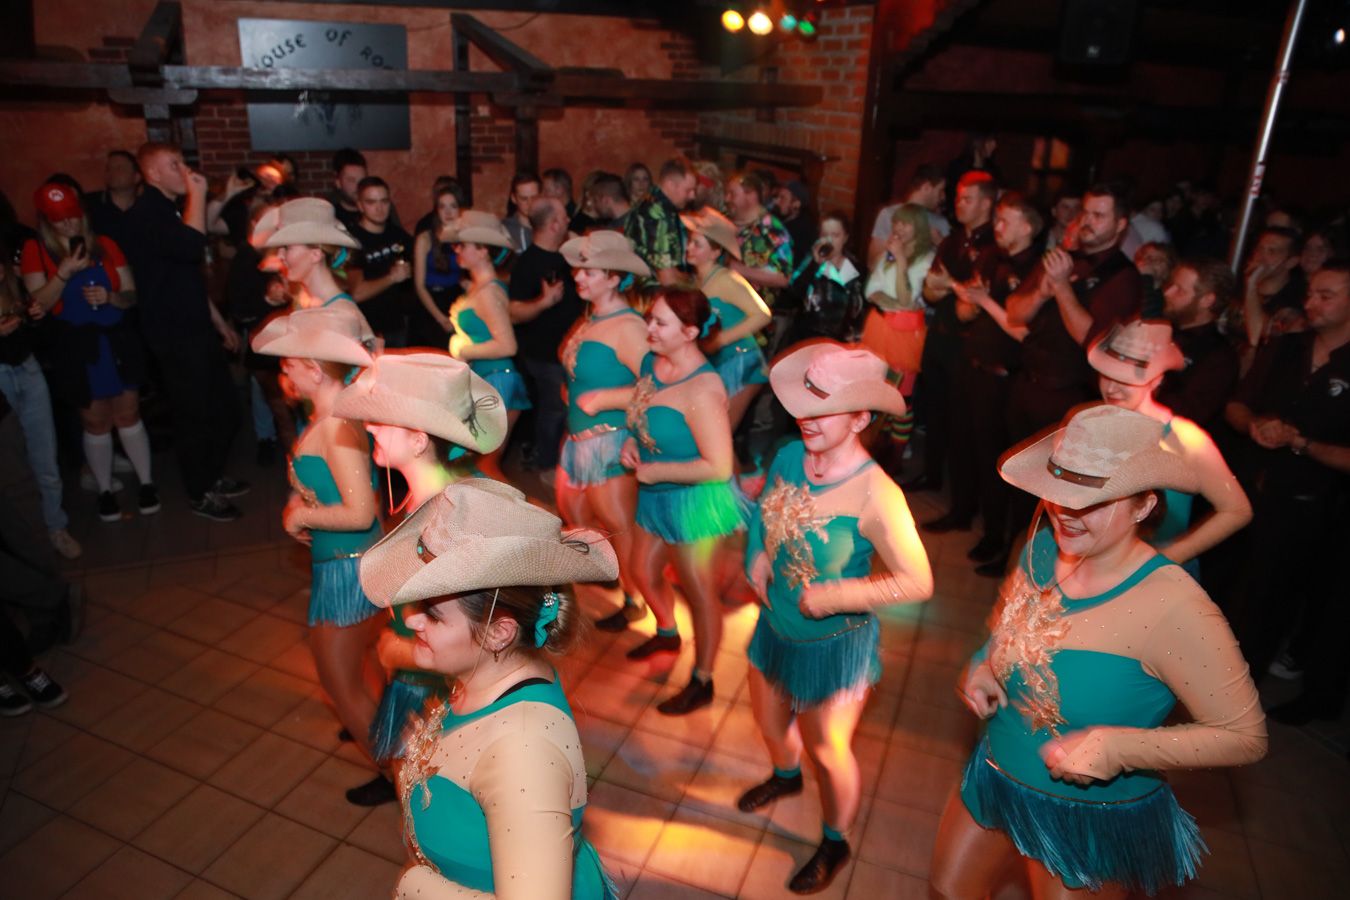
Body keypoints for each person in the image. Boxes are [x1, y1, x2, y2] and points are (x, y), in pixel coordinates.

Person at [931, 404, 1267, 900]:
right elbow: (1010, 617)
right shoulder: (1044, 544)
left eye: (1093, 499)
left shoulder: (1176, 608)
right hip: (996, 772)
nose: (1065, 512)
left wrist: (1118, 748)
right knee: (946, 890)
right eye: (1058, 492)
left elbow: (1245, 737)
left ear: (1144, 506)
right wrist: (986, 660)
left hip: (1087, 816)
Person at [356, 479, 620, 899]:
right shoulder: (488, 675)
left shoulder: (523, 751)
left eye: (433, 614)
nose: (411, 620)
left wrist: (414, 885)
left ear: (499, 632)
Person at [739, 342, 933, 894]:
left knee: (827, 750)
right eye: (805, 405)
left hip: (835, 644)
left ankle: (835, 840)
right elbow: (764, 510)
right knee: (770, 724)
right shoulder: (787, 455)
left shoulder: (877, 494)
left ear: (861, 419)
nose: (807, 419)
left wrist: (837, 595)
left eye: (825, 410)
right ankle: (785, 776)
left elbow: (919, 582)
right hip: (775, 626)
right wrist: (757, 552)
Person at [333, 351, 508, 796]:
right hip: (415, 675)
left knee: (432, 798)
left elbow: (473, 640)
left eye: (382, 420)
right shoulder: (425, 495)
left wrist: (399, 651)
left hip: (441, 690)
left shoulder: (448, 517)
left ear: (417, 440)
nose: (369, 427)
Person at [251, 305, 387, 803]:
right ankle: (395, 754)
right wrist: (301, 501)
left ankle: (402, 778)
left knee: (341, 686)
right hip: (350, 565)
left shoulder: (335, 425)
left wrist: (300, 517)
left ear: (313, 369)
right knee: (363, 672)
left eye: (288, 365)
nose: (282, 374)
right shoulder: (331, 416)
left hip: (347, 573)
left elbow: (360, 512)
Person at [1224, 263, 1350, 717]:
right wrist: (1255, 425)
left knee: (1274, 603)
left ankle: (1238, 695)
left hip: (1315, 509)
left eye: (1326, 295)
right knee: (1232, 589)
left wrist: (1301, 443)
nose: (1311, 303)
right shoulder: (1287, 347)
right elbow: (1236, 405)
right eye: (1311, 293)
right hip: (1252, 490)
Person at [621, 288, 743, 714]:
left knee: (699, 592)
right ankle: (667, 632)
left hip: (694, 503)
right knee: (641, 569)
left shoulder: (703, 388)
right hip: (655, 494)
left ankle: (703, 679)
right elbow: (642, 413)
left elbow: (719, 467)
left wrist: (656, 471)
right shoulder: (651, 363)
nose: (649, 328)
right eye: (649, 318)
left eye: (660, 322)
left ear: (690, 333)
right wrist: (633, 444)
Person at [122, 142, 244, 522]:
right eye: (173, 164)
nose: (184, 170)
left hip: (195, 328)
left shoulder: (169, 210)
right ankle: (199, 492)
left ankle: (211, 476)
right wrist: (200, 193)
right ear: (152, 174)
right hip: (174, 335)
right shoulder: (146, 214)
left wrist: (218, 322)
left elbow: (186, 276)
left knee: (223, 408)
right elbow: (193, 248)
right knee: (194, 415)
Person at [22, 182, 156, 528]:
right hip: (76, 345)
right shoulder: (36, 251)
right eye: (58, 219)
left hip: (116, 339)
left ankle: (146, 484)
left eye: (72, 216)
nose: (68, 224)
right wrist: (64, 273)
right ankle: (104, 489)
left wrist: (111, 297)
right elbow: (37, 305)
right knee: (95, 420)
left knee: (128, 412)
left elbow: (131, 294)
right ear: (46, 221)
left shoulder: (106, 245)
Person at [1088, 320, 1252, 577]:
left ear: (1157, 379)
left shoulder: (1187, 439)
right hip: (1098, 568)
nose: (1110, 388)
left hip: (1155, 579)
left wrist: (1171, 555)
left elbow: (1237, 510)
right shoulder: (1092, 421)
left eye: (1124, 379)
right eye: (1106, 375)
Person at [555, 231, 651, 633]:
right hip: (578, 439)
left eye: (589, 271)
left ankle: (636, 599)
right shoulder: (591, 316)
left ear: (614, 277)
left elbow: (657, 386)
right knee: (576, 515)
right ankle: (611, 576)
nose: (578, 276)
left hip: (610, 441)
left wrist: (607, 397)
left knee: (617, 525)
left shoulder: (629, 327)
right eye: (579, 269)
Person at [947, 192, 1043, 576]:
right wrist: (968, 301)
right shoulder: (991, 257)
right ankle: (971, 521)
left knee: (999, 462)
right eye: (997, 219)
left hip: (1005, 377)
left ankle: (1003, 543)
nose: (997, 227)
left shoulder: (1036, 269)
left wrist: (984, 301)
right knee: (965, 447)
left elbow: (1022, 331)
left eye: (1005, 221)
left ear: (1027, 227)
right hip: (972, 364)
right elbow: (966, 312)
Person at [908, 170, 996, 500]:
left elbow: (971, 305)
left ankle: (960, 499)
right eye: (958, 197)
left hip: (967, 345)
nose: (958, 204)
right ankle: (931, 476)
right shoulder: (952, 240)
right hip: (940, 336)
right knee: (934, 411)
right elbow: (930, 291)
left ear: (986, 204)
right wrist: (947, 287)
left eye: (967, 199)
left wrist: (949, 286)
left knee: (962, 422)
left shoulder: (992, 247)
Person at [448, 210, 529, 480]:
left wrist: (463, 350)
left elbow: (507, 345)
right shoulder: (480, 287)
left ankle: (521, 508)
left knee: (484, 467)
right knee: (479, 467)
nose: (457, 249)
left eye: (463, 245)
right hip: (489, 378)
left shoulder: (489, 291)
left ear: (483, 251)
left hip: (498, 380)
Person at [681, 207, 772, 436]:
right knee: (716, 434)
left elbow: (763, 314)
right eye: (690, 242)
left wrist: (721, 339)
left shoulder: (726, 279)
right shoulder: (697, 281)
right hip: (721, 363)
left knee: (720, 434)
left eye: (697, 244)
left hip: (742, 362)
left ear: (715, 252)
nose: (689, 248)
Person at [508, 198, 582, 476]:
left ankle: (564, 465)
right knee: (554, 410)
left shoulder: (567, 258)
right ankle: (547, 465)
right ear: (552, 224)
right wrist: (544, 302)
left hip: (571, 351)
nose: (568, 221)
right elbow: (514, 313)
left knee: (567, 409)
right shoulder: (527, 263)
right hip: (545, 355)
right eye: (564, 217)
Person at [860, 203, 936, 466]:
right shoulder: (890, 251)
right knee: (877, 392)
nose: (898, 228)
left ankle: (896, 454)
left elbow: (907, 299)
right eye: (896, 222)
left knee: (901, 398)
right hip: (880, 327)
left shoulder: (927, 258)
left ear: (919, 227)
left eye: (906, 223)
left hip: (906, 334)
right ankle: (878, 445)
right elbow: (871, 290)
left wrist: (901, 261)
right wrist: (891, 301)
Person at [1156, 258, 1241, 434]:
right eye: (1170, 285)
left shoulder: (1219, 356)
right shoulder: (1158, 328)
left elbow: (1187, 413)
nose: (1167, 293)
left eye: (1180, 290)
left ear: (1207, 300)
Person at [348, 176, 415, 347]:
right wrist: (391, 278)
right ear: (360, 205)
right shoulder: (353, 241)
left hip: (399, 324)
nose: (379, 208)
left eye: (384, 201)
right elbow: (357, 293)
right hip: (368, 329)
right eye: (371, 202)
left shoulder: (397, 234)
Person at [789, 212, 866, 346]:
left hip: (841, 343)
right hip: (809, 340)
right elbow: (794, 293)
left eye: (835, 235)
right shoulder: (812, 264)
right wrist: (814, 265)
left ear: (845, 238)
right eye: (825, 235)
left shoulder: (857, 270)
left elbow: (861, 310)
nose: (829, 240)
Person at [727, 172, 794, 317]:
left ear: (751, 196)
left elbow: (784, 278)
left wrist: (739, 269)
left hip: (752, 317)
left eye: (732, 194)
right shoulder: (724, 219)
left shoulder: (773, 230)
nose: (727, 199)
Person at [625, 157, 697, 287]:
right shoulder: (657, 215)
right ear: (670, 185)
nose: (693, 196)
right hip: (653, 293)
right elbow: (667, 278)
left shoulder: (651, 203)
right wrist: (697, 283)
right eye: (688, 190)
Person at [410, 182, 465, 348]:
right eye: (442, 207)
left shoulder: (467, 237)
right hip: (430, 303)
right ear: (436, 210)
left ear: (461, 209)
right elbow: (419, 285)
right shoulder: (425, 238)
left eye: (453, 206)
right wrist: (440, 318)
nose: (448, 212)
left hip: (456, 301)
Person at [868, 163, 948, 267]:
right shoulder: (888, 214)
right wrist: (894, 248)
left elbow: (949, 269)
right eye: (940, 190)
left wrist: (940, 243)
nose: (943, 197)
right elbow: (872, 263)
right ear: (926, 187)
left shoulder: (941, 223)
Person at [83, 149, 140, 252]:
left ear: (136, 177)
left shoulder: (148, 209)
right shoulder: (91, 205)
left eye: (119, 168)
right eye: (109, 169)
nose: (113, 173)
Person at [504, 171, 541, 253]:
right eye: (524, 199)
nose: (530, 203)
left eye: (534, 198)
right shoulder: (505, 230)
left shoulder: (551, 228)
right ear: (514, 198)